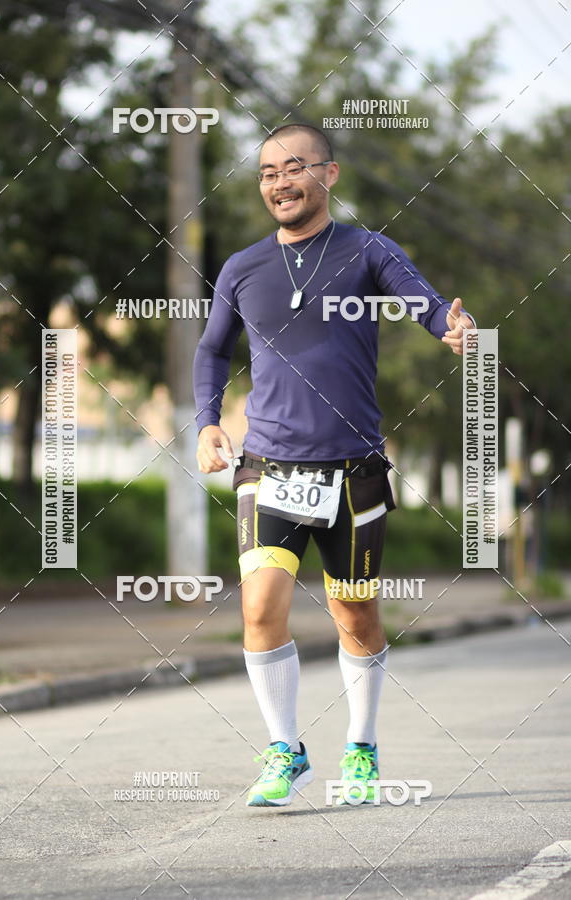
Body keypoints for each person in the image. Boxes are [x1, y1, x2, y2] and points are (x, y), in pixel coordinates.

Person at [192, 123, 475, 807]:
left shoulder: (366, 250)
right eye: (266, 172)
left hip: (353, 473)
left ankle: (362, 743)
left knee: (356, 616)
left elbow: (425, 303)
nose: (280, 183)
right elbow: (211, 352)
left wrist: (449, 326)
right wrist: (205, 422)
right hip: (267, 467)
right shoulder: (242, 267)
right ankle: (286, 750)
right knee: (260, 608)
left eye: (294, 168)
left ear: (329, 174)